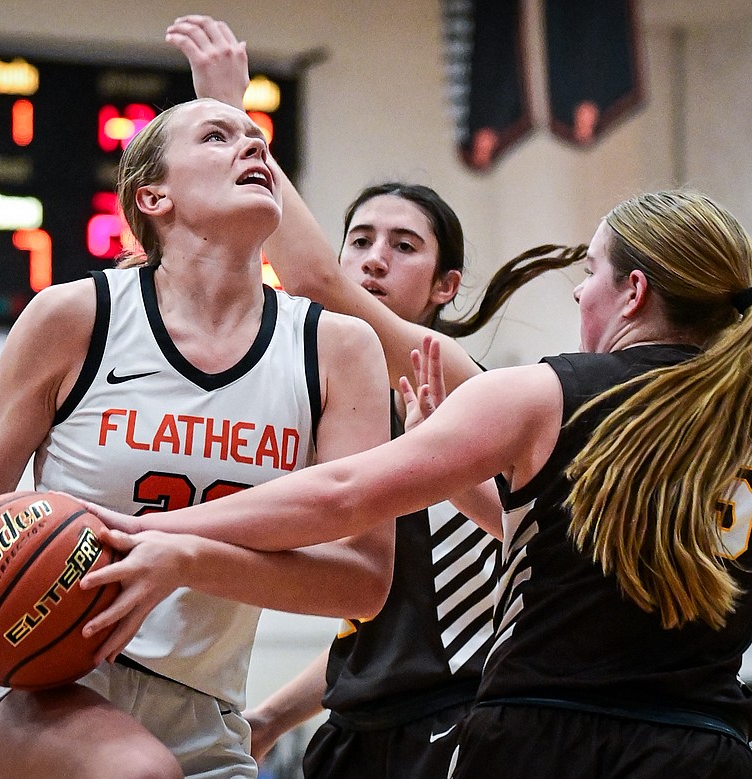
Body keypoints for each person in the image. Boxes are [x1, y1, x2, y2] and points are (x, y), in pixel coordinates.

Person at [81, 188, 752, 777]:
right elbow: (553, 545)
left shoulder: (546, 392)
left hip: (550, 739)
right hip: (706, 748)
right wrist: (443, 467)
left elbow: (339, 495)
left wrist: (149, 528)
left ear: (634, 290)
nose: (581, 292)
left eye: (591, 271)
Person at [0, 88, 396, 779]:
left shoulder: (336, 348)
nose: (252, 146)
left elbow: (363, 582)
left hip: (201, 702)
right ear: (153, 197)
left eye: (257, 138)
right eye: (218, 136)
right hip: (26, 678)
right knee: (136, 772)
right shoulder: (75, 317)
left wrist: (183, 557)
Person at [163, 16, 586, 778]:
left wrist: (237, 117)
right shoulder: (339, 404)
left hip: (461, 714)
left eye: (403, 244)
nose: (373, 258)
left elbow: (313, 280)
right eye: (360, 238)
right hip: (363, 726)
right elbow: (374, 636)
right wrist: (268, 716)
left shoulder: (452, 377)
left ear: (446, 285)